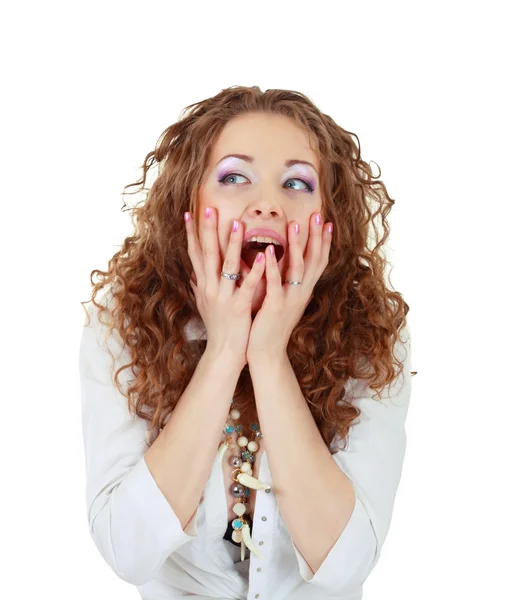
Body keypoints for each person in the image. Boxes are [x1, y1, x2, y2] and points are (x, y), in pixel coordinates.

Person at [79, 85, 414, 600]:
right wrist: (222, 352)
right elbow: (128, 550)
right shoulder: (120, 323)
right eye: (235, 177)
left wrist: (267, 355)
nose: (268, 204)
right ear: (188, 202)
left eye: (297, 183)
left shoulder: (371, 333)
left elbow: (347, 563)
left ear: (329, 217)